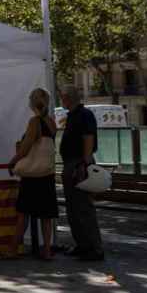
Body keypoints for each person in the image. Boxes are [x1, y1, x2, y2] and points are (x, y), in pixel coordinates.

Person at [8, 88, 59, 259]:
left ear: (31, 103)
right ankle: (46, 250)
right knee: (46, 215)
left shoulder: (34, 122)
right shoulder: (52, 123)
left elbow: (26, 147)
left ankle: (13, 249)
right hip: (48, 173)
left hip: (32, 176)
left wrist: (13, 160)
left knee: (23, 214)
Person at [60, 85, 104, 261]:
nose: (61, 100)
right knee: (73, 208)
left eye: (63, 97)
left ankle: (94, 247)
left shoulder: (84, 115)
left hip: (78, 164)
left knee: (83, 208)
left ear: (68, 98)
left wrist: (84, 164)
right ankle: (82, 244)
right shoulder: (73, 116)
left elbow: (88, 138)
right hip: (73, 163)